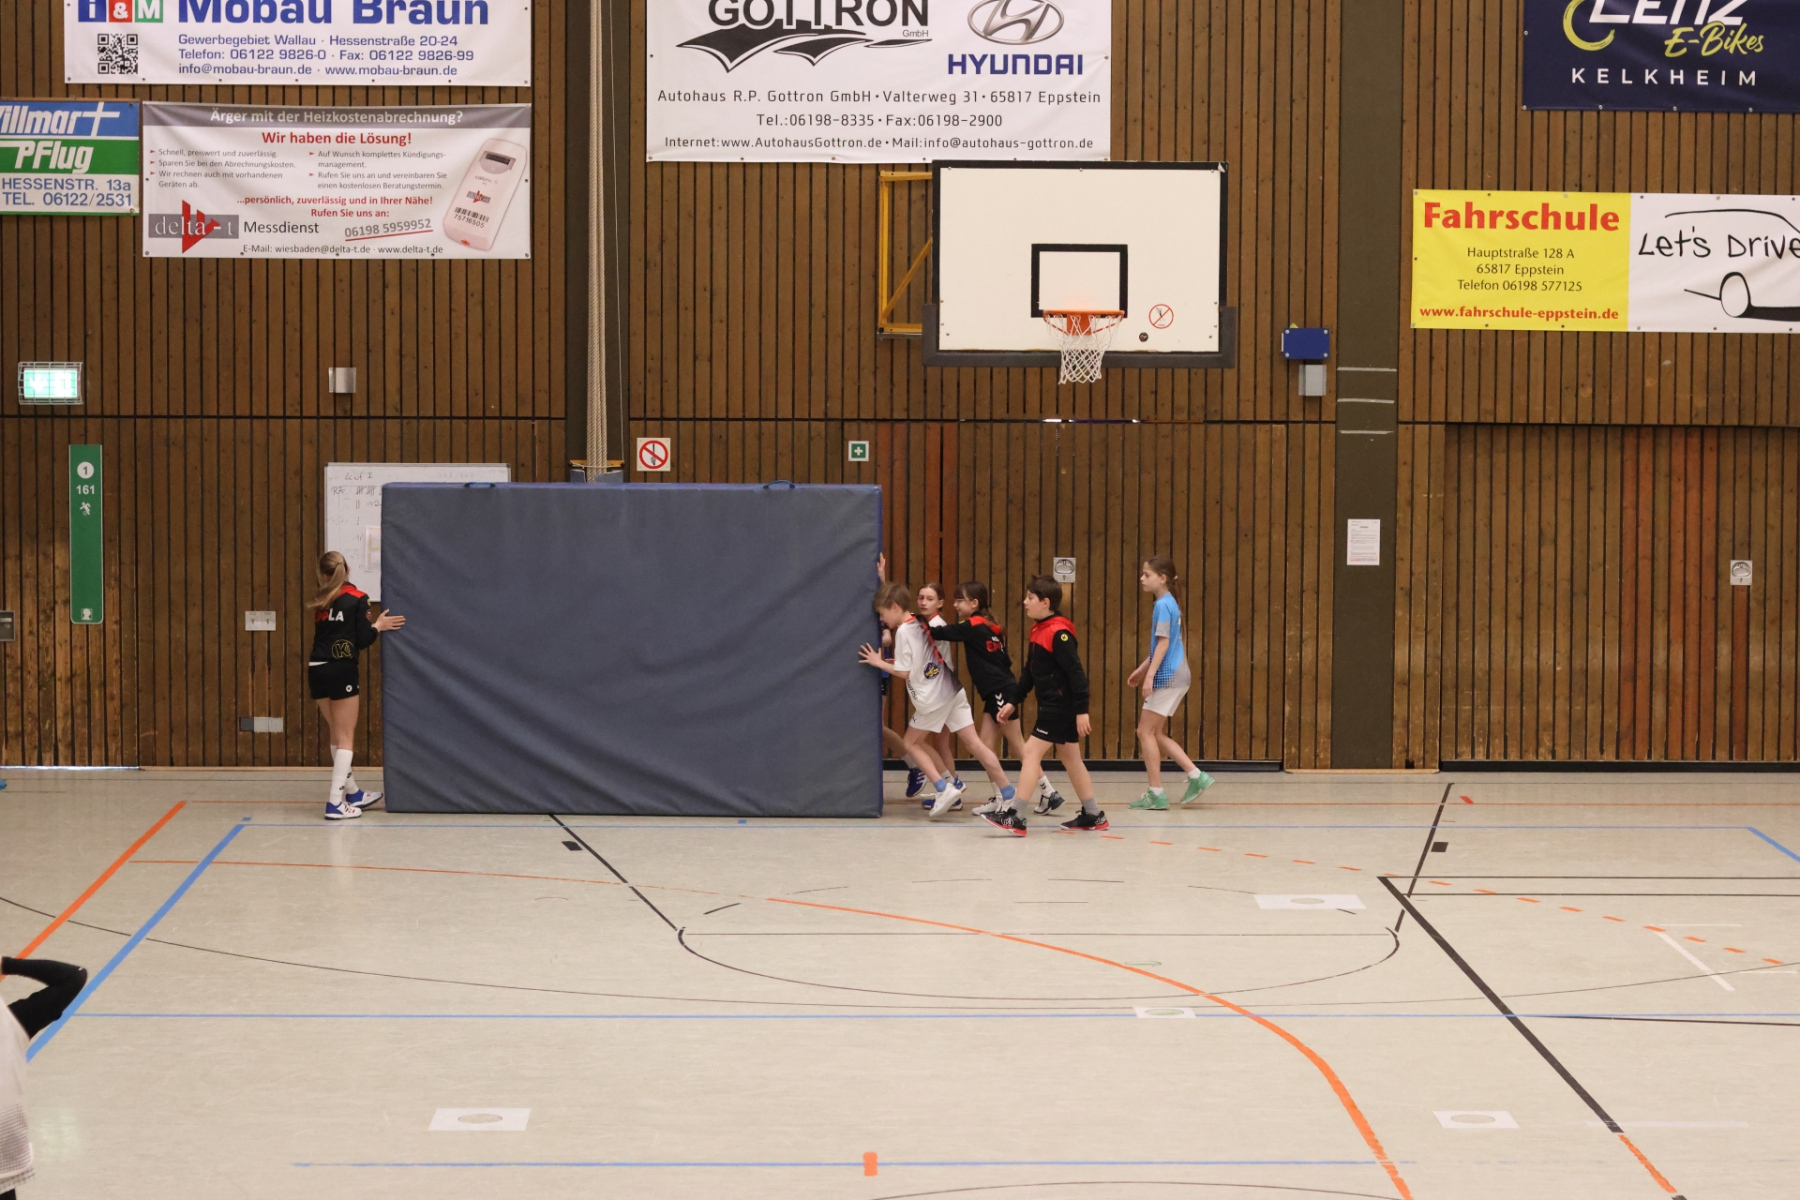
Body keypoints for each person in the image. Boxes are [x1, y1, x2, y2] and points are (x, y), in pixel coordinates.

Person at [859, 582, 1018, 818]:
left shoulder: (903, 631)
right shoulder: (920, 624)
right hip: (953, 690)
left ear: (894, 607)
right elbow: (916, 661)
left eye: (883, 614)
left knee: (911, 743)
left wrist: (879, 662)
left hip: (934, 697)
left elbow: (903, 673)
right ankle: (1008, 792)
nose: (883, 619)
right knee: (975, 744)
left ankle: (944, 788)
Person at [928, 581, 1067, 815]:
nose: (955, 605)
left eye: (960, 600)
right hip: (996, 692)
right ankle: (1000, 795)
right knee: (984, 745)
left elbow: (939, 632)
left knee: (1019, 746)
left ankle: (1049, 793)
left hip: (1001, 691)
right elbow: (1006, 660)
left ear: (974, 603)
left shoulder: (972, 625)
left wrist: (911, 620)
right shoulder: (989, 625)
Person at [981, 576, 1104, 837]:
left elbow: (1076, 674)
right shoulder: (1038, 629)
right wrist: (1014, 701)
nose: (1025, 602)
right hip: (1053, 704)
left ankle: (1016, 816)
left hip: (1060, 705)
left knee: (1030, 753)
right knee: (1070, 757)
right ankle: (1093, 814)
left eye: (1030, 598)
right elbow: (1030, 672)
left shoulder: (1059, 633)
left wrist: (1082, 710)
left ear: (1045, 602)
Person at [307, 551, 405, 821]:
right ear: (347, 568)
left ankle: (353, 793)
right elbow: (362, 640)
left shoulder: (322, 600)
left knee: (336, 733)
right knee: (346, 736)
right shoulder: (358, 598)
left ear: (323, 574)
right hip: (340, 669)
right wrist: (378, 626)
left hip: (316, 668)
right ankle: (335, 803)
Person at [1127, 556, 1215, 810]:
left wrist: (1151, 676)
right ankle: (1196, 775)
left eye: (1147, 574)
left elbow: (1164, 644)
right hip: (1177, 674)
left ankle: (1156, 793)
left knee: (1144, 732)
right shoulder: (1170, 604)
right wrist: (1142, 669)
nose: (1142, 579)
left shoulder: (1163, 605)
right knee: (1155, 732)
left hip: (1168, 676)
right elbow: (1164, 644)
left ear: (1162, 578)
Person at [2, 956, 88, 1200]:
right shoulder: (12, 1022)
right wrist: (7, 964)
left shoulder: (10, 1022)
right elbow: (73, 976)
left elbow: (74, 976)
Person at [915, 582, 963, 807]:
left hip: (939, 692)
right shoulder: (927, 624)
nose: (923, 602)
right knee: (941, 743)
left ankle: (950, 786)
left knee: (914, 741)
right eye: (921, 597)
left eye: (930, 599)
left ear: (940, 603)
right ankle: (953, 794)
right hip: (944, 690)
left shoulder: (936, 626)